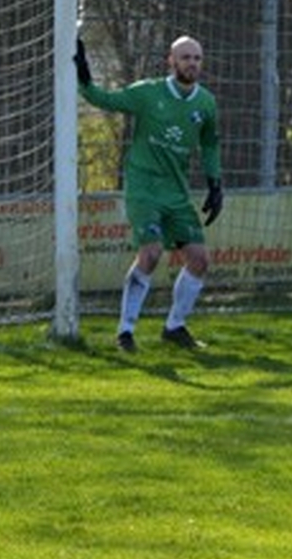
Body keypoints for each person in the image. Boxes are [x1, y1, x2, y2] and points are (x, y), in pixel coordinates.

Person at [73, 35, 222, 351]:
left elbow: (209, 144)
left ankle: (174, 327)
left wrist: (215, 183)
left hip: (176, 191)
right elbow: (103, 99)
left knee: (199, 259)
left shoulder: (206, 102)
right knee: (151, 253)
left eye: (196, 58)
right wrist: (84, 74)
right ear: (171, 60)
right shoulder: (148, 92)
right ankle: (125, 331)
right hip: (143, 187)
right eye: (185, 57)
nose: (191, 63)